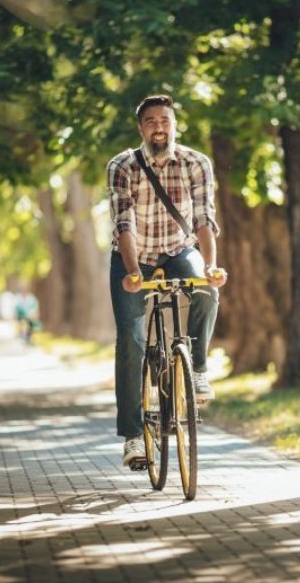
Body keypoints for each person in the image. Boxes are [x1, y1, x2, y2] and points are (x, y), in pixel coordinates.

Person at [107, 94, 227, 468]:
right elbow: (123, 222)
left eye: (165, 120)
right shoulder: (122, 165)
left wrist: (210, 266)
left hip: (179, 249)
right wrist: (132, 272)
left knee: (206, 290)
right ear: (141, 127)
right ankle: (132, 438)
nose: (158, 127)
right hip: (133, 255)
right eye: (150, 121)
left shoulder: (196, 162)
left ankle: (199, 369)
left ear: (174, 124)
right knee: (132, 338)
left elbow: (204, 218)